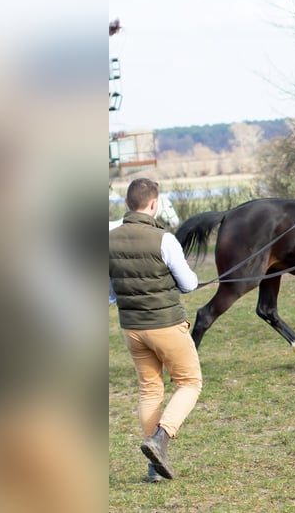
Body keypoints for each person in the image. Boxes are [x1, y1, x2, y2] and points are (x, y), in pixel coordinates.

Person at [109, 178, 201, 483]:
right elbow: (188, 284)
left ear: (126, 204)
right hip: (166, 325)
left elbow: (108, 293)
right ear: (154, 204)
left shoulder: (107, 240)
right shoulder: (164, 239)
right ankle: (160, 440)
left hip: (132, 329)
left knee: (150, 389)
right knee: (189, 383)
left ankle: (154, 467)